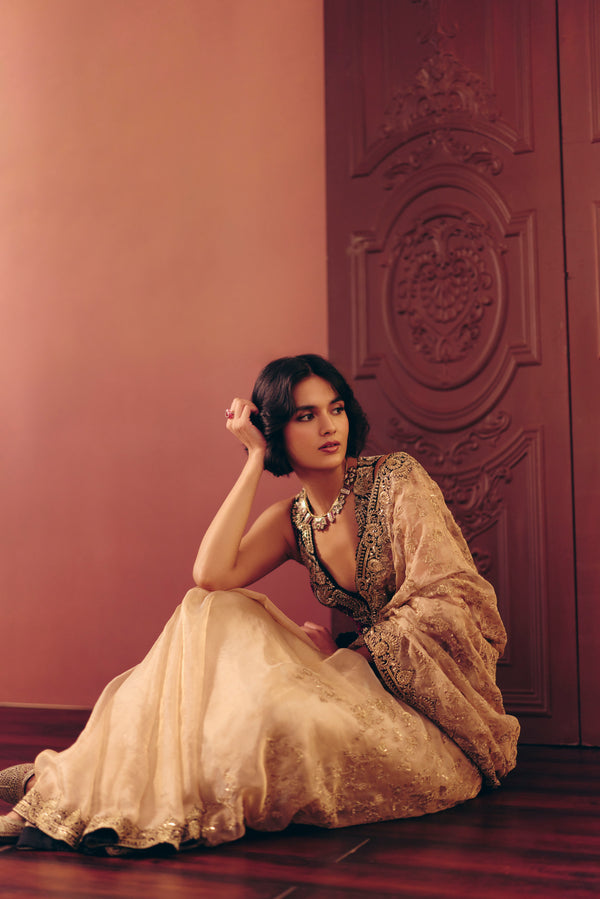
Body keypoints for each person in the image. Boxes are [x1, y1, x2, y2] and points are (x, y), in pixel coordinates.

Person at [0, 354, 519, 854]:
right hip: (356, 676)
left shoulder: (396, 481)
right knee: (210, 608)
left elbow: (451, 598)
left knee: (278, 723)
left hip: (424, 703)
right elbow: (210, 575)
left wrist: (357, 652)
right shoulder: (293, 520)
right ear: (276, 433)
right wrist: (252, 460)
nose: (328, 427)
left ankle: (70, 787)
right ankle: (78, 790)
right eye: (305, 416)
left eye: (336, 409)